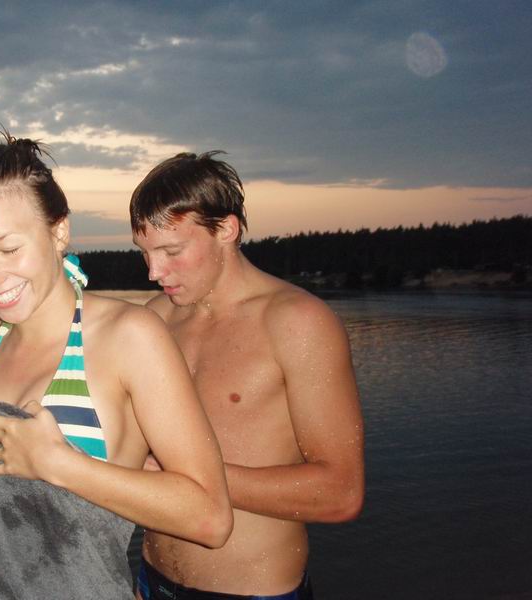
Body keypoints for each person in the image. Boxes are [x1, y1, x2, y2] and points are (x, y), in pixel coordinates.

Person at [0, 136, 232, 599]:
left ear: (59, 232)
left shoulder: (129, 336)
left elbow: (210, 517)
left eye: (9, 249)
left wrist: (60, 465)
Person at [130, 152, 365, 599]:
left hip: (254, 591)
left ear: (226, 229)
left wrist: (191, 478)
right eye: (145, 253)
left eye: (172, 251)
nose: (154, 272)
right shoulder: (154, 318)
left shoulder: (297, 323)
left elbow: (341, 493)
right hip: (151, 581)